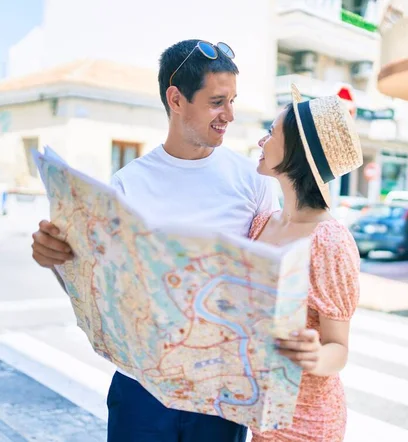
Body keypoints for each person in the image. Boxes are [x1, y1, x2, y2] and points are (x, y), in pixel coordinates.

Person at [30, 39, 279, 442]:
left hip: (219, 389)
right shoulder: (127, 185)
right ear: (176, 99)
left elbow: (269, 281)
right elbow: (95, 292)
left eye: (233, 100)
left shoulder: (253, 182)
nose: (229, 115)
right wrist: (58, 259)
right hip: (139, 388)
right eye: (218, 102)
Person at [248, 85, 363, 442]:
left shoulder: (329, 240)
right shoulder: (261, 222)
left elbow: (338, 349)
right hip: (261, 412)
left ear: (296, 153)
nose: (260, 142)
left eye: (271, 133)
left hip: (308, 425)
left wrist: (314, 356)